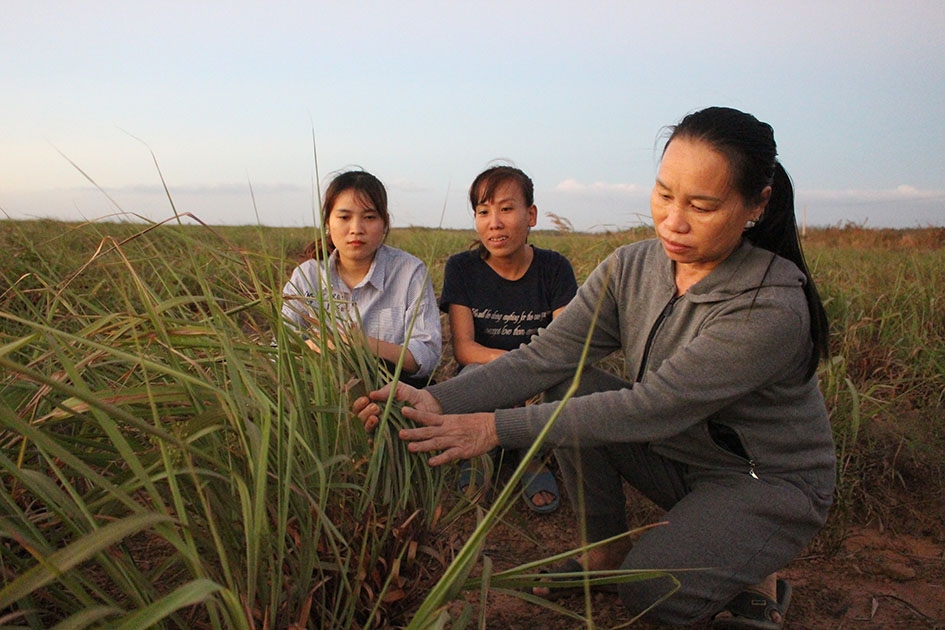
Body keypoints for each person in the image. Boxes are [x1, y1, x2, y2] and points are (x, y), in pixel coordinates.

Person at [355, 107, 834, 628]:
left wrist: (492, 428)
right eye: (665, 194)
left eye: (702, 205)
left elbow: (650, 408)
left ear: (755, 205)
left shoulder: (770, 307)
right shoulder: (634, 266)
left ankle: (753, 569)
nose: (673, 221)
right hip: (683, 455)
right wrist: (439, 399)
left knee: (653, 590)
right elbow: (547, 355)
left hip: (763, 481)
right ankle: (604, 549)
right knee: (573, 379)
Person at [439, 164, 578, 513]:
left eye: (506, 208)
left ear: (530, 215)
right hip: (486, 376)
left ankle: (529, 457)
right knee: (472, 377)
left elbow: (564, 345)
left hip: (540, 384)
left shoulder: (554, 268)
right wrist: (514, 370)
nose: (494, 222)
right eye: (483, 212)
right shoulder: (462, 268)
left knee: (564, 388)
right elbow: (465, 349)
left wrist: (530, 379)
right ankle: (479, 453)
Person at [282, 169, 441, 388]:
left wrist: (361, 344)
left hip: (391, 392)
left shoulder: (410, 272)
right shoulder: (307, 276)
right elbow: (280, 348)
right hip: (322, 390)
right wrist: (321, 346)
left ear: (384, 223)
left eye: (369, 217)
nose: (356, 229)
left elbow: (427, 355)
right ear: (328, 223)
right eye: (344, 217)